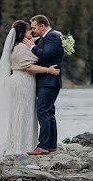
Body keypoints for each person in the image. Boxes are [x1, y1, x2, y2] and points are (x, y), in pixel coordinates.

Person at [0, 20, 60, 156]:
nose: (32, 32)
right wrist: (48, 70)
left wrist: (55, 33)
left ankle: (26, 143)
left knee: (25, 112)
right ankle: (18, 145)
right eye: (30, 30)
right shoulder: (20, 48)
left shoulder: (21, 45)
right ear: (23, 34)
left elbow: (35, 42)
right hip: (21, 82)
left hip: (24, 82)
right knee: (20, 112)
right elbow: (29, 66)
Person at [26, 15, 64, 155]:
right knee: (49, 112)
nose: (33, 30)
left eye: (34, 28)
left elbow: (46, 54)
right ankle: (51, 145)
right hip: (48, 81)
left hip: (49, 81)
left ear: (43, 26)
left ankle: (42, 147)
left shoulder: (52, 37)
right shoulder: (46, 37)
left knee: (43, 112)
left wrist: (31, 47)